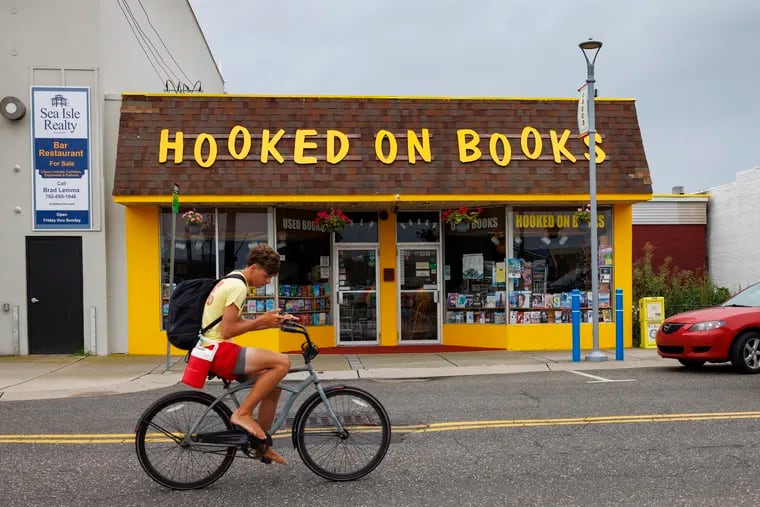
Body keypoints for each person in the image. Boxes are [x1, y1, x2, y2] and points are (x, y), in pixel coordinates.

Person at [201, 243, 295, 465]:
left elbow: (235, 323)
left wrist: (272, 323)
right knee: (282, 363)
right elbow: (228, 330)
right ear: (254, 267)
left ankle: (260, 446)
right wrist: (262, 321)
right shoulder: (238, 286)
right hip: (219, 350)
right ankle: (243, 413)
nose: (268, 281)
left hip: (214, 348)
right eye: (266, 275)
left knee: (273, 388)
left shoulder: (232, 278)